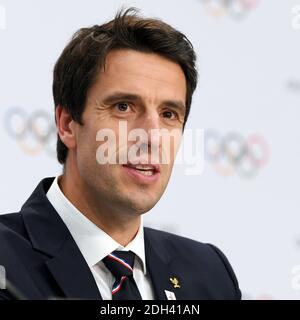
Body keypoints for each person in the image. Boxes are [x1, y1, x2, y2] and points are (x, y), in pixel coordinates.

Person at [0, 8, 241, 300]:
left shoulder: (210, 274)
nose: (152, 136)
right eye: (123, 107)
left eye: (168, 114)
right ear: (67, 125)